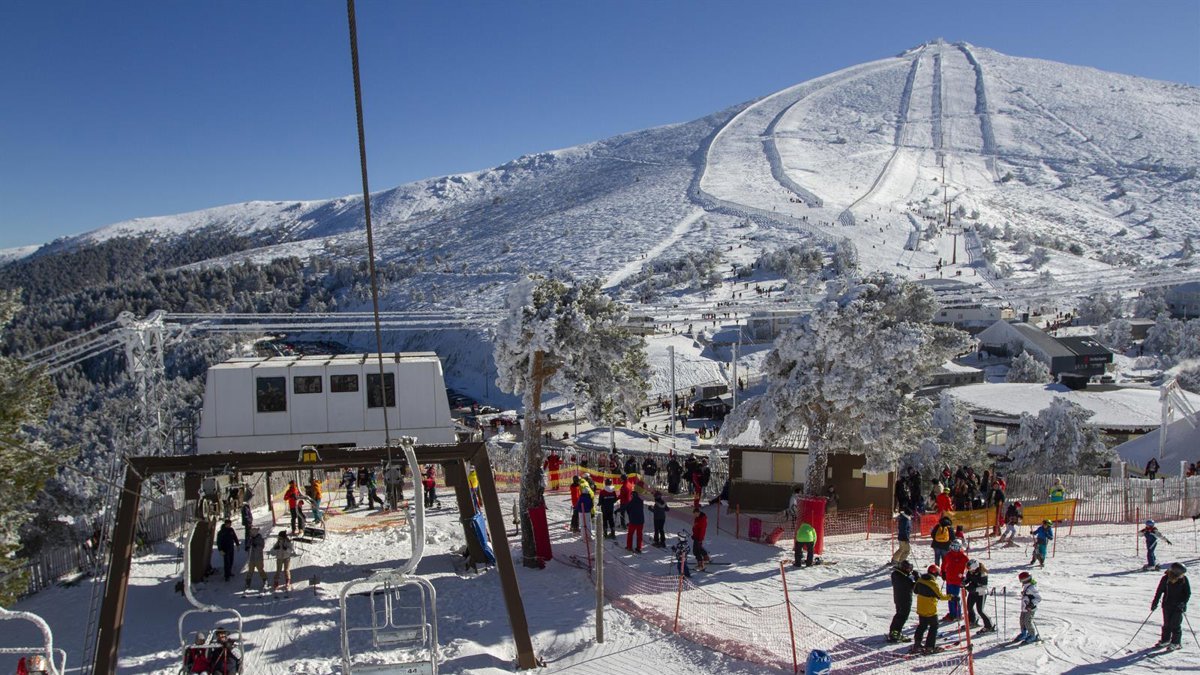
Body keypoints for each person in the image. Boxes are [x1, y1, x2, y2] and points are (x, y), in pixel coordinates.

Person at [913, 564, 951, 655]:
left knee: (922, 625)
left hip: (921, 607)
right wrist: (951, 597)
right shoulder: (933, 584)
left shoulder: (920, 580)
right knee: (934, 626)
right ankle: (929, 647)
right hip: (930, 609)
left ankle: (917, 644)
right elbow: (941, 596)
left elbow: (915, 590)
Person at [1152, 562, 1191, 650]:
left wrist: (1183, 603)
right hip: (1167, 605)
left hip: (1178, 606)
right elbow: (1159, 591)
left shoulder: (1184, 579)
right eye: (1181, 573)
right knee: (1167, 624)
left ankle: (1176, 643)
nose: (1182, 575)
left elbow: (1187, 593)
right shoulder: (1166, 579)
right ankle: (1165, 640)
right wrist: (1155, 603)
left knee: (1175, 625)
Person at [888, 560, 917, 643]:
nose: (910, 570)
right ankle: (895, 633)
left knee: (899, 614)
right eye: (908, 569)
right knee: (902, 616)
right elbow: (914, 587)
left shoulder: (896, 574)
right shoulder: (903, 578)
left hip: (898, 597)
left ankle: (893, 631)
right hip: (904, 598)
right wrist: (917, 578)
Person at [964, 560, 995, 633]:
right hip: (972, 593)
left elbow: (984, 587)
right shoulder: (970, 572)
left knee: (980, 610)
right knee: (969, 607)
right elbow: (968, 579)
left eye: (970, 568)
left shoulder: (982, 574)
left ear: (974, 567)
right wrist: (964, 582)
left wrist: (974, 589)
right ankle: (972, 621)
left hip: (981, 593)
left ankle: (989, 625)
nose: (969, 570)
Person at [942, 540, 969, 621]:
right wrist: (943, 572)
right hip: (949, 580)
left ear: (960, 547)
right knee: (950, 597)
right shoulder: (948, 555)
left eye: (957, 547)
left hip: (958, 581)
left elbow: (969, 568)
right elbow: (943, 565)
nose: (955, 549)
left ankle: (957, 614)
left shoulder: (963, 557)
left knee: (956, 598)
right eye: (954, 547)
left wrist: (966, 577)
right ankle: (952, 614)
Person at [1016, 571, 1041, 643]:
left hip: (1030, 609)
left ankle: (1032, 635)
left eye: (1022, 580)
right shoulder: (1027, 586)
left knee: (1027, 622)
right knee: (1022, 621)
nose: (1022, 581)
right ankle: (1024, 633)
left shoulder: (1032, 587)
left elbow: (1038, 598)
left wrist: (1031, 604)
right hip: (1024, 607)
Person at [244, 526, 267, 591]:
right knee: (250, 570)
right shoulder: (251, 538)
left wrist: (256, 545)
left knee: (260, 569)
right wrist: (247, 547)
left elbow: (261, 546)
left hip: (258, 557)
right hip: (251, 557)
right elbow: (248, 545)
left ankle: (265, 580)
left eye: (252, 532)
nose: (251, 533)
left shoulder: (260, 538)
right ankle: (248, 582)